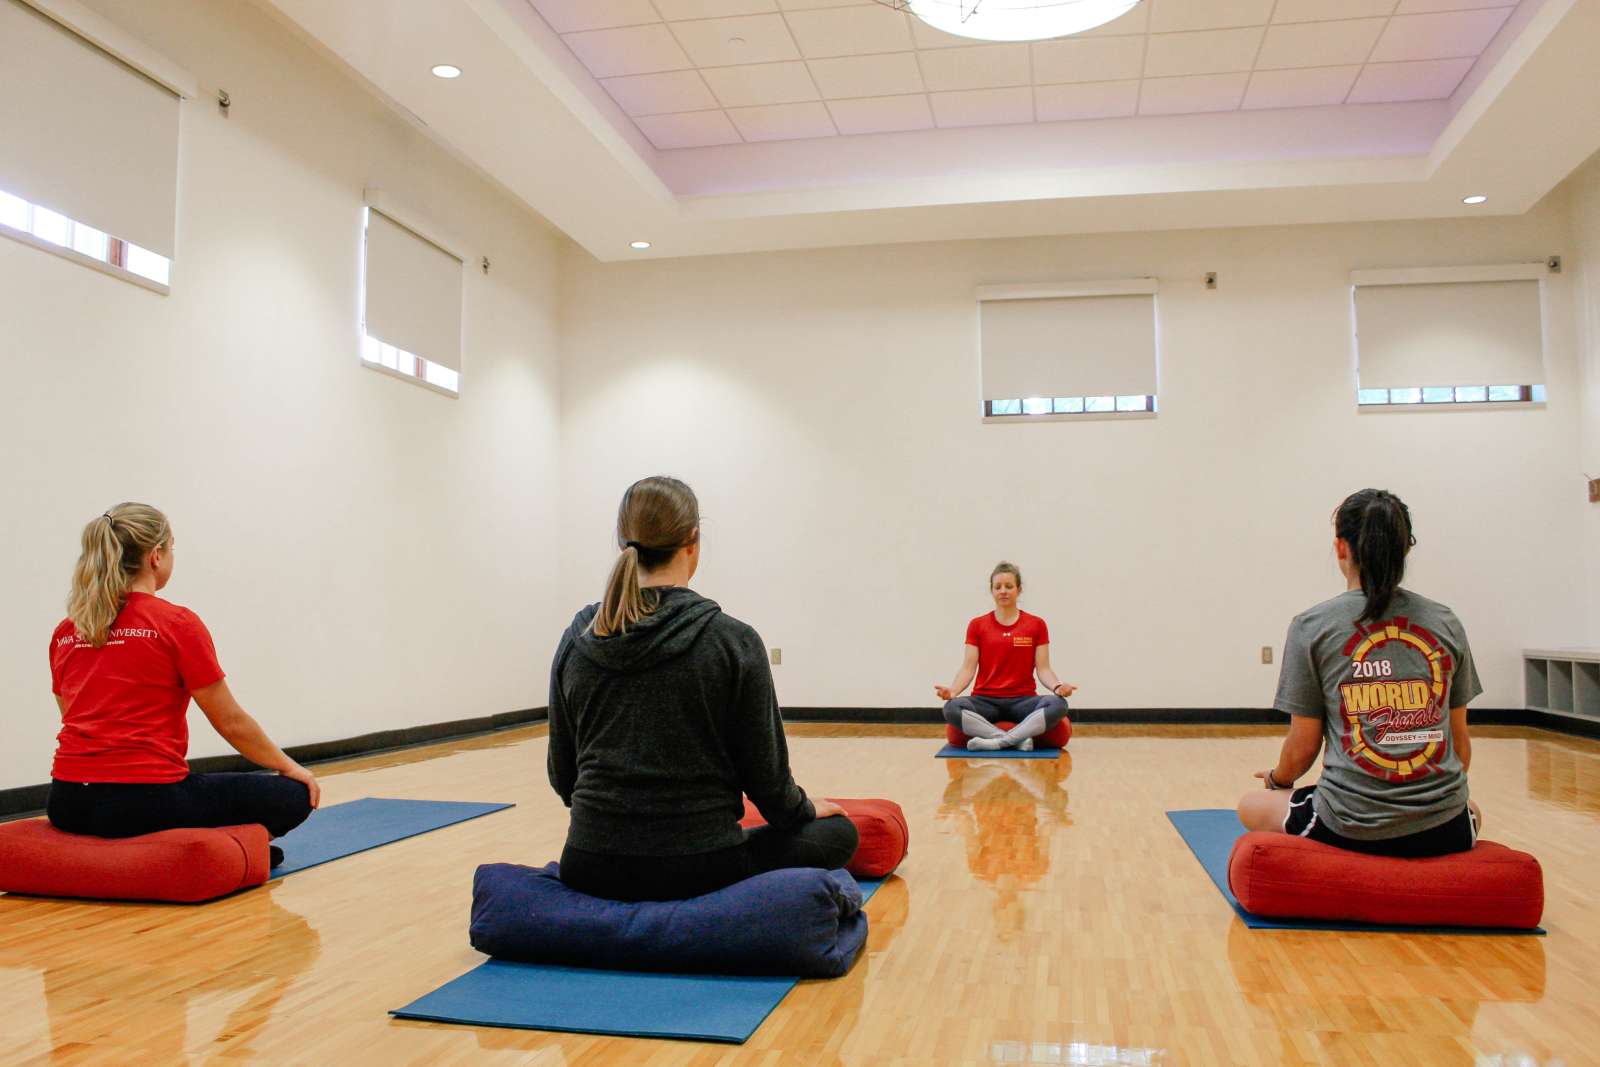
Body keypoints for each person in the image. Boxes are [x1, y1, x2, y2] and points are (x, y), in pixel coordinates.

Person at [548, 476, 857, 902]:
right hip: (700, 868)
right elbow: (768, 784)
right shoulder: (732, 640)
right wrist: (804, 809)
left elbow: (563, 776)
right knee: (839, 834)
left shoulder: (578, 636)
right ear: (693, 541)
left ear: (623, 545)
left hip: (588, 864)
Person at [47, 504, 317, 866]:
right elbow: (230, 721)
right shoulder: (176, 623)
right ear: (155, 557)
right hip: (146, 802)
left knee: (185, 792)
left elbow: (72, 715)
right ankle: (234, 851)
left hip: (66, 803)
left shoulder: (68, 630)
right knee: (294, 795)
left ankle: (201, 847)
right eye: (171, 548)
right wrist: (291, 768)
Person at [1237, 489, 1483, 857]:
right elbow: (1459, 746)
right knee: (1474, 810)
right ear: (1406, 549)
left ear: (1341, 548)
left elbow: (1304, 745)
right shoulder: (1446, 622)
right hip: (1446, 828)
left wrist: (1278, 780)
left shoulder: (1312, 625)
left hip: (1350, 823)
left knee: (1249, 805)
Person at [936, 562, 1076, 751]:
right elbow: (968, 667)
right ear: (992, 590)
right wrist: (952, 691)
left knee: (1058, 704)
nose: (1003, 591)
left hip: (1023, 700)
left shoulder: (1036, 625)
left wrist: (1058, 687)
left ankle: (997, 742)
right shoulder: (977, 625)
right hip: (986, 701)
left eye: (1009, 586)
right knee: (951, 708)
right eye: (998, 587)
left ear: (1018, 589)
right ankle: (1015, 740)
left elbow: (1043, 668)